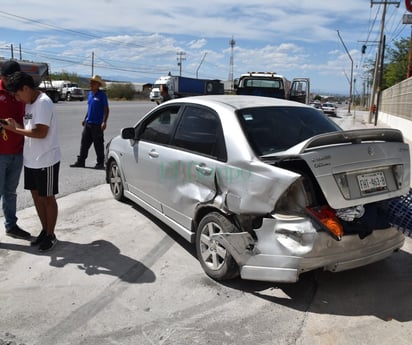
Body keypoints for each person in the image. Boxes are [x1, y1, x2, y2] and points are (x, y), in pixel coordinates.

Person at [4, 71, 61, 251]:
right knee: (36, 197)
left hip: (46, 160)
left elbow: (41, 133)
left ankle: (51, 235)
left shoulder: (43, 103)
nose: (17, 98)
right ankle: (45, 230)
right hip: (31, 160)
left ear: (26, 88)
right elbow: (29, 129)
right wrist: (15, 125)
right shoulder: (29, 103)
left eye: (18, 93)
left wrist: (15, 131)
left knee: (47, 198)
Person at [0, 60, 31, 239]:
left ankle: (11, 226)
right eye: (8, 79)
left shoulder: (19, 91)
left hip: (17, 151)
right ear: (2, 76)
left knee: (10, 192)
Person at [70, 75, 109, 169]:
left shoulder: (102, 95)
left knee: (98, 145)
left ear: (98, 85)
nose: (90, 84)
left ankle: (100, 163)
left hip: (97, 125)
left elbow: (106, 110)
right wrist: (85, 118)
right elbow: (89, 108)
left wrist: (104, 122)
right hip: (88, 124)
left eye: (93, 82)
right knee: (84, 144)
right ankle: (81, 161)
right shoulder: (90, 94)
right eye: (90, 82)